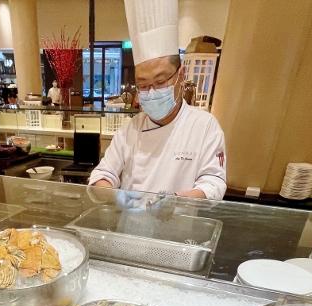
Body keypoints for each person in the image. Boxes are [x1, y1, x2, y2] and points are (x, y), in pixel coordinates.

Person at [89, 0, 226, 201]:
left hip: (179, 226)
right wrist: (115, 195)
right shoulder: (131, 130)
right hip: (130, 225)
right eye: (143, 85)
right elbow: (102, 175)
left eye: (160, 81)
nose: (151, 92)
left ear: (181, 76)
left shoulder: (204, 125)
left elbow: (214, 183)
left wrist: (175, 200)